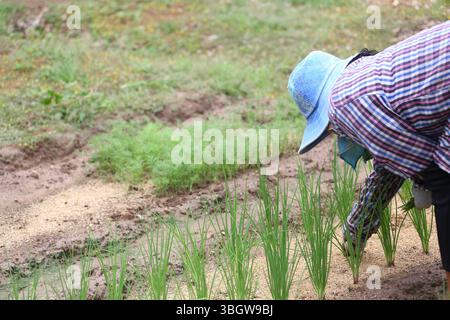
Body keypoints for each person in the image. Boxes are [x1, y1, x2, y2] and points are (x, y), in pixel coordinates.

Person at [287, 21, 450, 294]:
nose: (338, 137)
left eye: (330, 132)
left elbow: (437, 174)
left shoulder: (342, 105)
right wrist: (356, 228)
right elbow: (393, 165)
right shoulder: (369, 77)